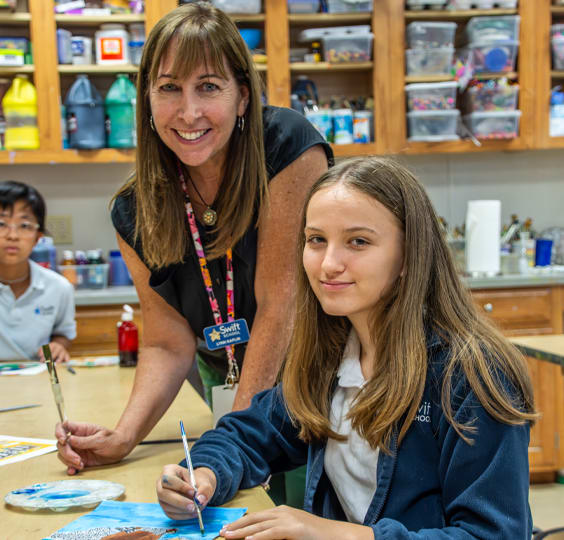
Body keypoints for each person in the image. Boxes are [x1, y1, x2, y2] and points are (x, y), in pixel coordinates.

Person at [156, 156, 536, 538]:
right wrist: (202, 474)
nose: (328, 264)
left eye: (358, 242)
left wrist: (337, 533)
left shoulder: (471, 375)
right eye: (316, 240)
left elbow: (494, 534)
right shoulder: (332, 355)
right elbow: (250, 434)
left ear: (408, 255)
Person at [55, 2, 332, 475]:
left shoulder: (285, 147)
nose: (189, 112)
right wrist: (124, 437)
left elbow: (281, 303)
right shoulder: (134, 210)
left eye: (208, 87)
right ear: (146, 99)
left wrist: (232, 444)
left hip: (322, 382)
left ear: (242, 96)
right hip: (234, 389)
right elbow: (168, 344)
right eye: (169, 88)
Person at [0, 180, 75, 363]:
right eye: (1, 223)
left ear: (38, 238)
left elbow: (63, 334)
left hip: (36, 381)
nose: (12, 235)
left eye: (24, 226)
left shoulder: (58, 288)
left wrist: (58, 345)